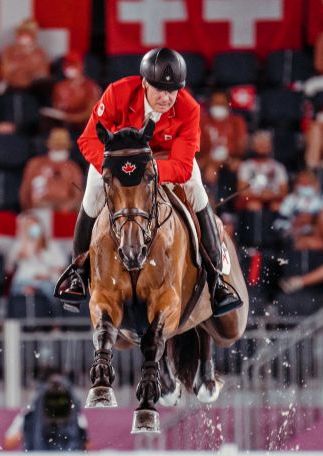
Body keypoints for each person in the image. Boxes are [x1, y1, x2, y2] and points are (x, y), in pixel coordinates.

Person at [55, 48, 244, 317]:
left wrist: (146, 170)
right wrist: (115, 169)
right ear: (144, 83)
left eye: (173, 91)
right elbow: (88, 139)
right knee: (92, 193)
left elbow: (181, 166)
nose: (167, 98)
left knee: (197, 190)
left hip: (163, 163)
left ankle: (216, 280)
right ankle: (77, 273)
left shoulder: (189, 109)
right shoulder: (117, 93)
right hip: (117, 160)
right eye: (159, 89)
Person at [274, 169, 323, 254]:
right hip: (301, 235)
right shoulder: (290, 200)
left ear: (315, 184)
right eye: (302, 183)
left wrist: (313, 219)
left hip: (321, 232)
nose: (305, 186)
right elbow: (279, 224)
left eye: (308, 183)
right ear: (296, 185)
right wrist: (295, 223)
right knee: (315, 243)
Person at [19, 128, 83, 212]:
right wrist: (28, 211)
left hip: (64, 213)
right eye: (56, 147)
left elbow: (78, 195)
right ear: (49, 146)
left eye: (62, 147)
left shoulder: (73, 168)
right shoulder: (35, 164)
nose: (59, 150)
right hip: (38, 211)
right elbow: (25, 191)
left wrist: (67, 206)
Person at [7, 212, 67, 298]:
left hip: (47, 281)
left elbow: (62, 265)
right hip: (24, 281)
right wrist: (24, 240)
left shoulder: (52, 245)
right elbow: (10, 265)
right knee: (21, 292)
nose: (31, 228)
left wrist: (47, 274)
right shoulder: (19, 244)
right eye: (28, 226)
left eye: (33, 225)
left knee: (49, 292)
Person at [198, 89, 248, 186]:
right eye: (216, 103)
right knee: (208, 171)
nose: (219, 107)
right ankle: (208, 199)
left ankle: (233, 199)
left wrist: (231, 159)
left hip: (230, 161)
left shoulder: (237, 122)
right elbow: (198, 149)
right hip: (208, 161)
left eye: (222, 104)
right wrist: (211, 161)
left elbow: (242, 148)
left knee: (240, 168)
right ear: (210, 105)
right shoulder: (202, 121)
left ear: (228, 105)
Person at [237, 130, 289, 212]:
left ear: (270, 146)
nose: (262, 147)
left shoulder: (279, 167)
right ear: (253, 146)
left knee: (277, 206)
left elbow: (284, 191)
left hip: (273, 199)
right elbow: (242, 191)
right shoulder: (246, 166)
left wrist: (270, 195)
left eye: (265, 144)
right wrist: (260, 195)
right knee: (254, 205)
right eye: (259, 144)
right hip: (253, 199)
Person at [48, 52, 101, 132]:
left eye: (73, 65)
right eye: (67, 65)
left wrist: (71, 118)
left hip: (85, 128)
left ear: (81, 66)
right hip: (63, 128)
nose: (69, 69)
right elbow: (56, 110)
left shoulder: (90, 86)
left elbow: (91, 113)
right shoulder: (59, 86)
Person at [0, 18, 50, 92]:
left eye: (28, 35)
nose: (25, 38)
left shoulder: (40, 53)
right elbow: (4, 72)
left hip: (33, 90)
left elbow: (43, 75)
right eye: (22, 34)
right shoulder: (9, 51)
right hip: (11, 88)